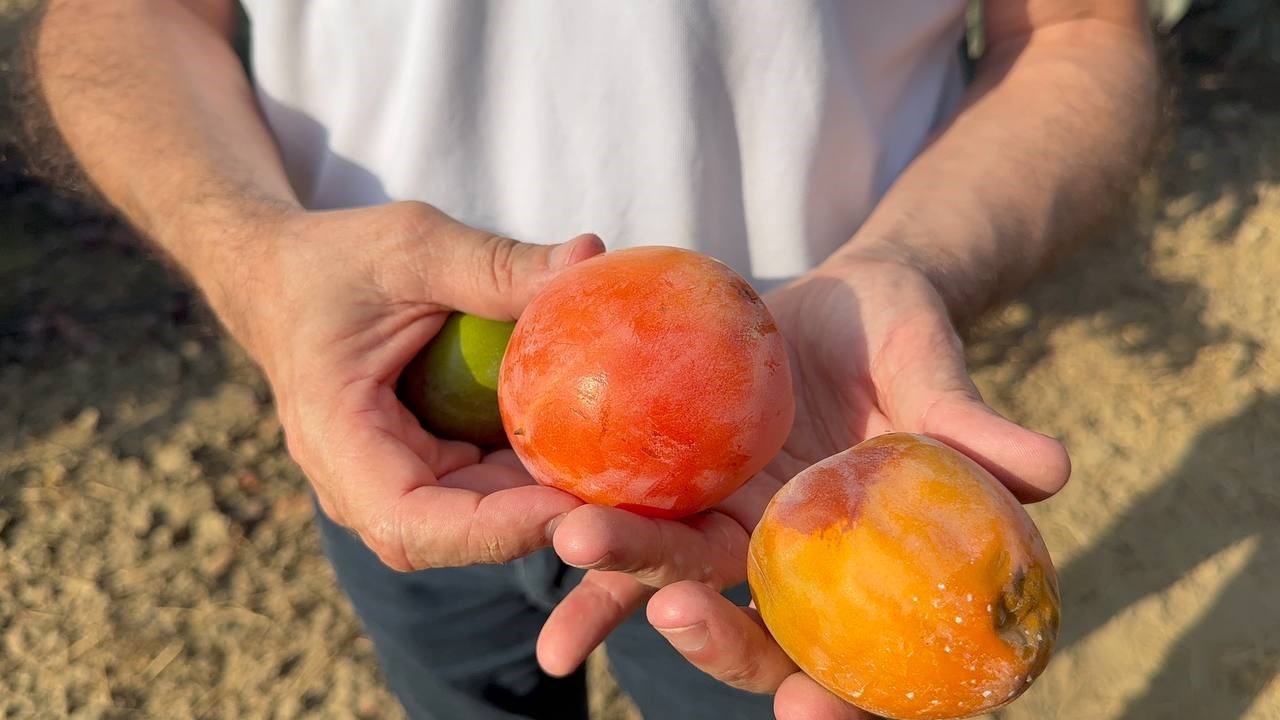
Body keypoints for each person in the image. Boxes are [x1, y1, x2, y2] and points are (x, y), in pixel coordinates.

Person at [28, 1, 1157, 718]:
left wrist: (906, 264)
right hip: (398, 424)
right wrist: (251, 258)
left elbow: (1072, 29)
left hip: (789, 466)